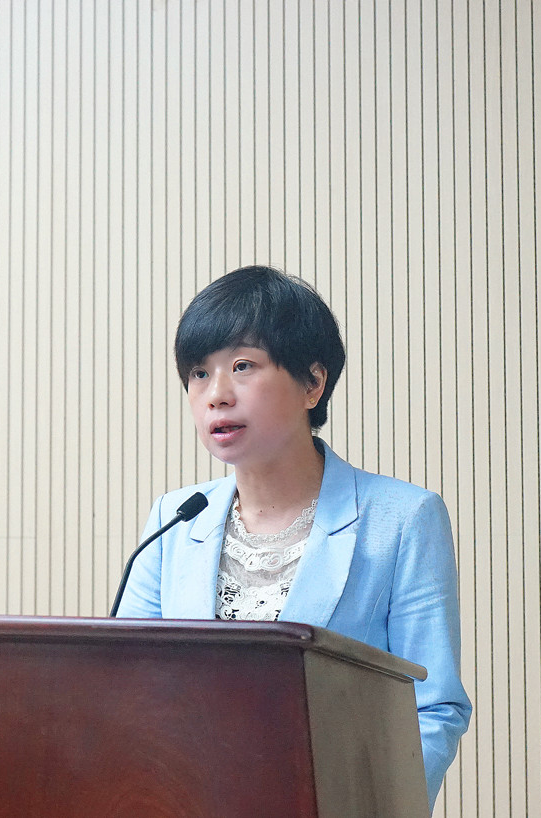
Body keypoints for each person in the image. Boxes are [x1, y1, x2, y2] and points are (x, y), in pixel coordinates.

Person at [117, 265, 471, 812]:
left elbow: (433, 708)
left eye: (242, 366)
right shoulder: (174, 519)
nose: (216, 395)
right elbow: (126, 692)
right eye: (199, 373)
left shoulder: (403, 518)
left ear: (312, 383)